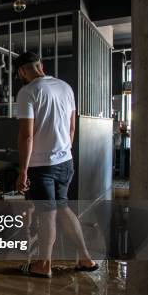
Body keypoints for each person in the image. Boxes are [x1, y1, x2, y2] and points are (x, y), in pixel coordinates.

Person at [14, 51, 97, 278]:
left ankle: (44, 265)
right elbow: (72, 128)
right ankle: (85, 258)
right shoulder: (65, 87)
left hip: (41, 166)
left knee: (46, 214)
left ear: (22, 71)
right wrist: (63, 151)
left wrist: (22, 170)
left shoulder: (27, 92)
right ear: (40, 65)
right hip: (65, 161)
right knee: (62, 207)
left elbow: (27, 136)